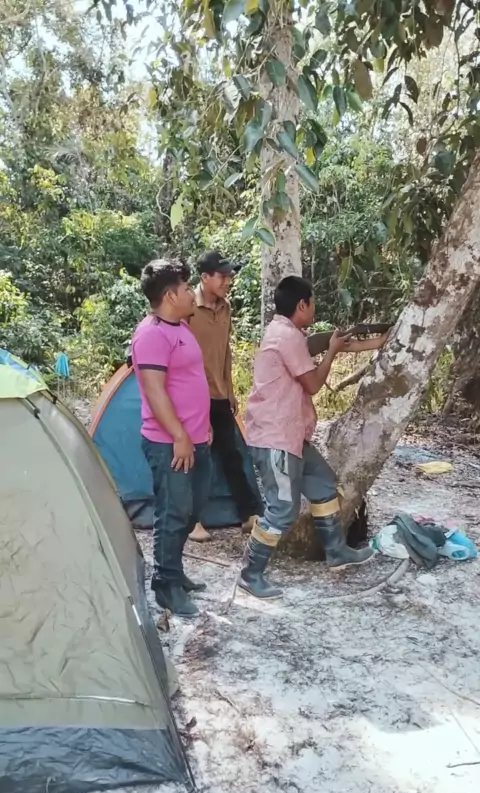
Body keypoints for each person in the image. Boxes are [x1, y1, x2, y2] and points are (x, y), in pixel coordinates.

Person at [240, 275, 389, 600]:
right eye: (313, 303)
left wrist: (380, 341)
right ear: (302, 304)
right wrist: (332, 351)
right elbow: (313, 384)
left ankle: (336, 551)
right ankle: (250, 573)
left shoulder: (287, 333)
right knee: (282, 509)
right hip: (276, 437)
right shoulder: (287, 337)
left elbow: (337, 345)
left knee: (323, 484)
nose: (315, 308)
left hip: (290, 435)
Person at [131, 258, 212, 618]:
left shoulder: (180, 327)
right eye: (186, 287)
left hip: (196, 439)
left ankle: (175, 572)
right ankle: (165, 585)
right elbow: (154, 390)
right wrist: (179, 434)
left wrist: (202, 428)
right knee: (173, 512)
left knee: (193, 508)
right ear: (169, 295)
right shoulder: (151, 334)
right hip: (170, 444)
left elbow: (190, 380)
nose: (192, 293)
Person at [188, 249, 261, 543]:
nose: (228, 281)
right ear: (205, 277)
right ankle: (192, 520)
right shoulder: (187, 308)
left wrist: (229, 389)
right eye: (222, 276)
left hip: (218, 393)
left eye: (229, 276)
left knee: (231, 454)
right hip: (193, 396)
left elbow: (225, 350)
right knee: (196, 458)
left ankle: (248, 514)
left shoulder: (226, 307)